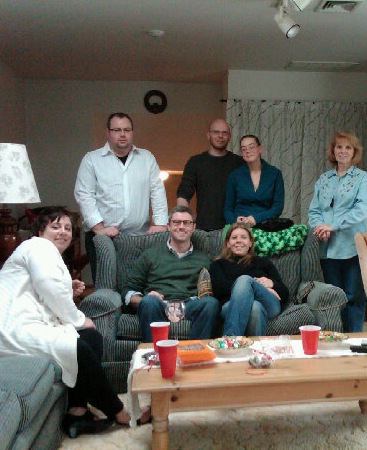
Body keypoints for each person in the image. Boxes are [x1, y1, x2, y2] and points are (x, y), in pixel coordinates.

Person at [0, 208, 144, 438]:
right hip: (3, 330)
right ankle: (119, 411)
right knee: (78, 345)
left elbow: (40, 292)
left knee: (90, 337)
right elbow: (48, 288)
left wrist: (67, 289)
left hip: (18, 325)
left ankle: (77, 413)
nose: (63, 232)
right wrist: (80, 318)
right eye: (55, 226)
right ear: (41, 231)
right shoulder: (38, 246)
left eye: (68, 228)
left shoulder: (46, 253)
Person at [74, 112, 168, 281]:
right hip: (103, 238)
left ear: (132, 132)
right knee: (106, 286)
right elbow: (84, 195)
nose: (122, 134)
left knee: (138, 285)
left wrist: (161, 224)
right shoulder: (92, 160)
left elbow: (157, 191)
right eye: (117, 130)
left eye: (127, 130)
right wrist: (99, 229)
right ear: (107, 132)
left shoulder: (147, 158)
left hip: (138, 238)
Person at [307, 131, 367, 332]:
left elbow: (362, 211)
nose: (343, 151)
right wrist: (320, 228)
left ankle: (354, 339)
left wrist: (332, 225)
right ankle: (338, 339)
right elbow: (314, 210)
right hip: (327, 248)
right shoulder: (324, 179)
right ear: (333, 151)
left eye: (348, 147)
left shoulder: (362, 178)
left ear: (354, 152)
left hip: (352, 247)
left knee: (353, 296)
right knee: (335, 297)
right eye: (339, 147)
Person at [125, 206, 220, 341]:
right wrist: (145, 299)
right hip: (159, 304)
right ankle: (157, 352)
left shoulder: (204, 259)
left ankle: (197, 351)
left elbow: (216, 290)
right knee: (149, 301)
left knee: (210, 303)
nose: (181, 227)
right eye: (176, 222)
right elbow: (129, 290)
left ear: (193, 227)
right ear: (168, 226)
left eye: (186, 223)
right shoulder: (150, 255)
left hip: (190, 305)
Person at [209, 223, 289, 336]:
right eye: (234, 238)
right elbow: (218, 290)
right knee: (255, 306)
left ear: (250, 242)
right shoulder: (218, 264)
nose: (239, 241)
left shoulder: (263, 262)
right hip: (230, 306)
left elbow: (285, 294)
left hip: (269, 306)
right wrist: (255, 287)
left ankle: (231, 339)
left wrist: (272, 284)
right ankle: (256, 347)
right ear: (228, 243)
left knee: (245, 280)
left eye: (243, 237)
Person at [177, 119, 244, 231]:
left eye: (224, 133)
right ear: (208, 135)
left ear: (229, 136)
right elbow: (184, 194)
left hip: (233, 229)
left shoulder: (239, 163)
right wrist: (182, 222)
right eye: (216, 132)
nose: (220, 136)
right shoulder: (195, 162)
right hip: (204, 229)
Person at [224, 135, 285, 227]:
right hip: (239, 226)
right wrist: (235, 220)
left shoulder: (275, 174)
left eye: (251, 147)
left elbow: (278, 207)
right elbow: (228, 209)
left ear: (260, 148)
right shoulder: (235, 175)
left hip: (266, 225)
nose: (248, 151)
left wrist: (255, 219)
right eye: (244, 149)